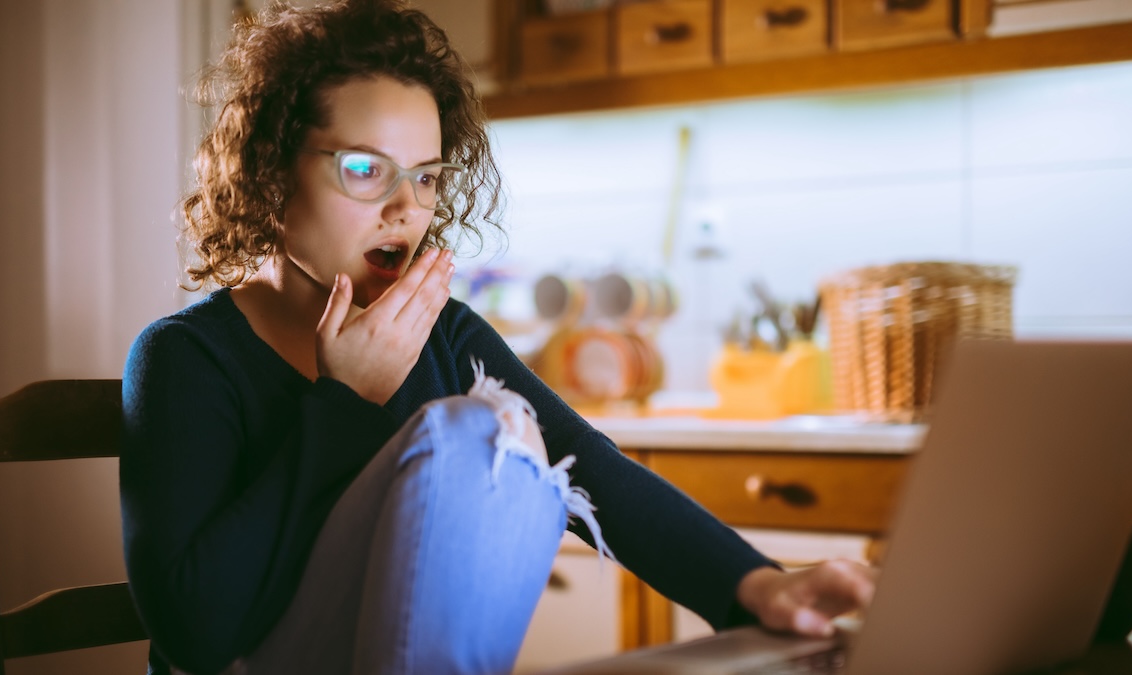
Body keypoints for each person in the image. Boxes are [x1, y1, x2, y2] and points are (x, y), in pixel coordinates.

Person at [119, 1, 876, 674]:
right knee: (481, 426)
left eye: (426, 177)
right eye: (363, 169)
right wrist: (344, 398)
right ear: (270, 172)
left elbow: (594, 471)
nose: (405, 209)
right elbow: (196, 636)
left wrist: (759, 583)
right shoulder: (186, 357)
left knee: (512, 430)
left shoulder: (443, 333)